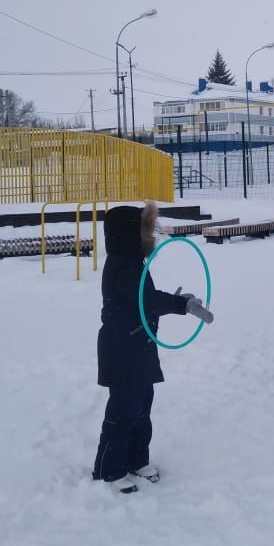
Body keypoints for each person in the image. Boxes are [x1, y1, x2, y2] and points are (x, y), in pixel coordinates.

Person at [92, 201, 213, 493]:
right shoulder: (121, 266)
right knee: (123, 410)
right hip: (123, 351)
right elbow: (146, 300)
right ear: (129, 234)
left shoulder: (134, 263)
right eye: (144, 231)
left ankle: (136, 458)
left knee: (142, 406)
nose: (150, 237)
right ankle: (108, 468)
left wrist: (178, 302)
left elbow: (146, 298)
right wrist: (182, 305)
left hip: (140, 347)